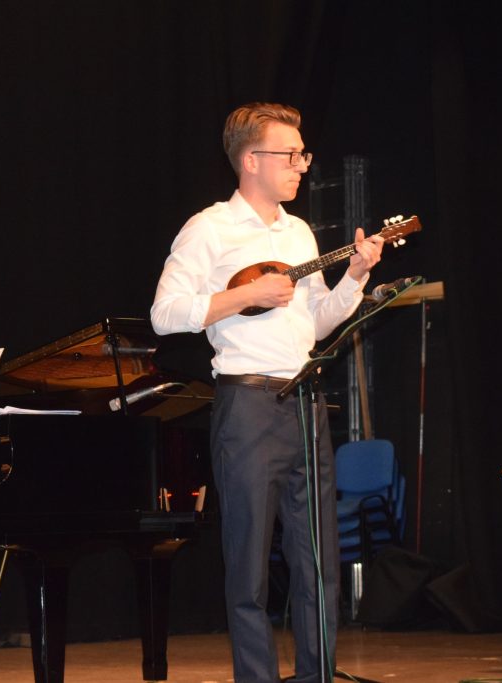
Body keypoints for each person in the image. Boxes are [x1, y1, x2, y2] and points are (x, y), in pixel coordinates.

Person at [150, 103, 384, 683]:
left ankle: (316, 676)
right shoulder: (210, 229)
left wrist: (355, 276)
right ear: (251, 160)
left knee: (318, 563)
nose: (302, 165)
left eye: (303, 155)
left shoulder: (298, 232)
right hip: (248, 407)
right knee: (249, 568)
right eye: (291, 155)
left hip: (306, 403)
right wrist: (244, 297)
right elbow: (164, 314)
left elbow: (316, 323)